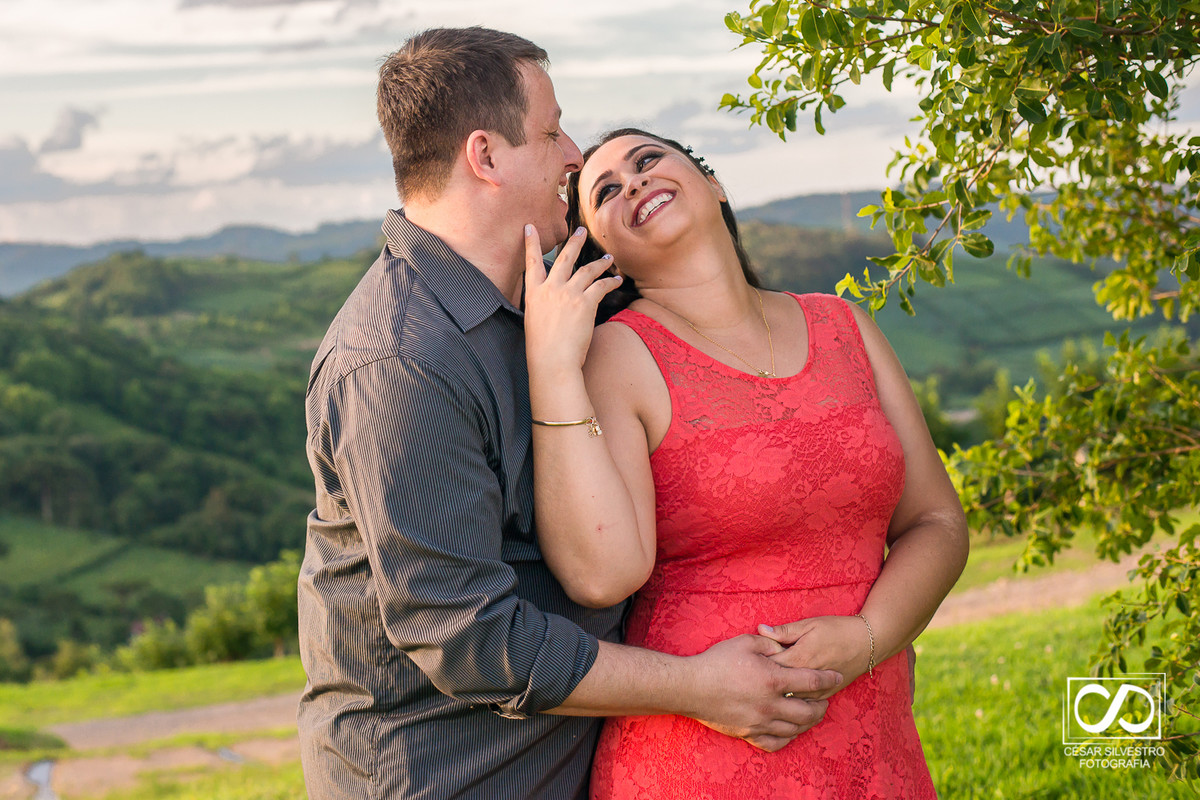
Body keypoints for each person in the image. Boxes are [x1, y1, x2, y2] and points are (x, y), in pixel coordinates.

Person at [297, 31, 843, 800]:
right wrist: (695, 686)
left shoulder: (541, 297)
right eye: (552, 131)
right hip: (452, 779)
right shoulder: (400, 362)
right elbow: (467, 640)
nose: (573, 154)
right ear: (485, 157)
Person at [522, 128, 971, 798]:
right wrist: (552, 364)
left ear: (715, 184)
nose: (634, 183)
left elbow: (937, 521)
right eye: (606, 191)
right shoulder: (619, 356)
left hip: (873, 733)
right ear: (603, 252)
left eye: (647, 161)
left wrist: (869, 638)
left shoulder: (845, 327)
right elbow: (600, 572)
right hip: (706, 750)